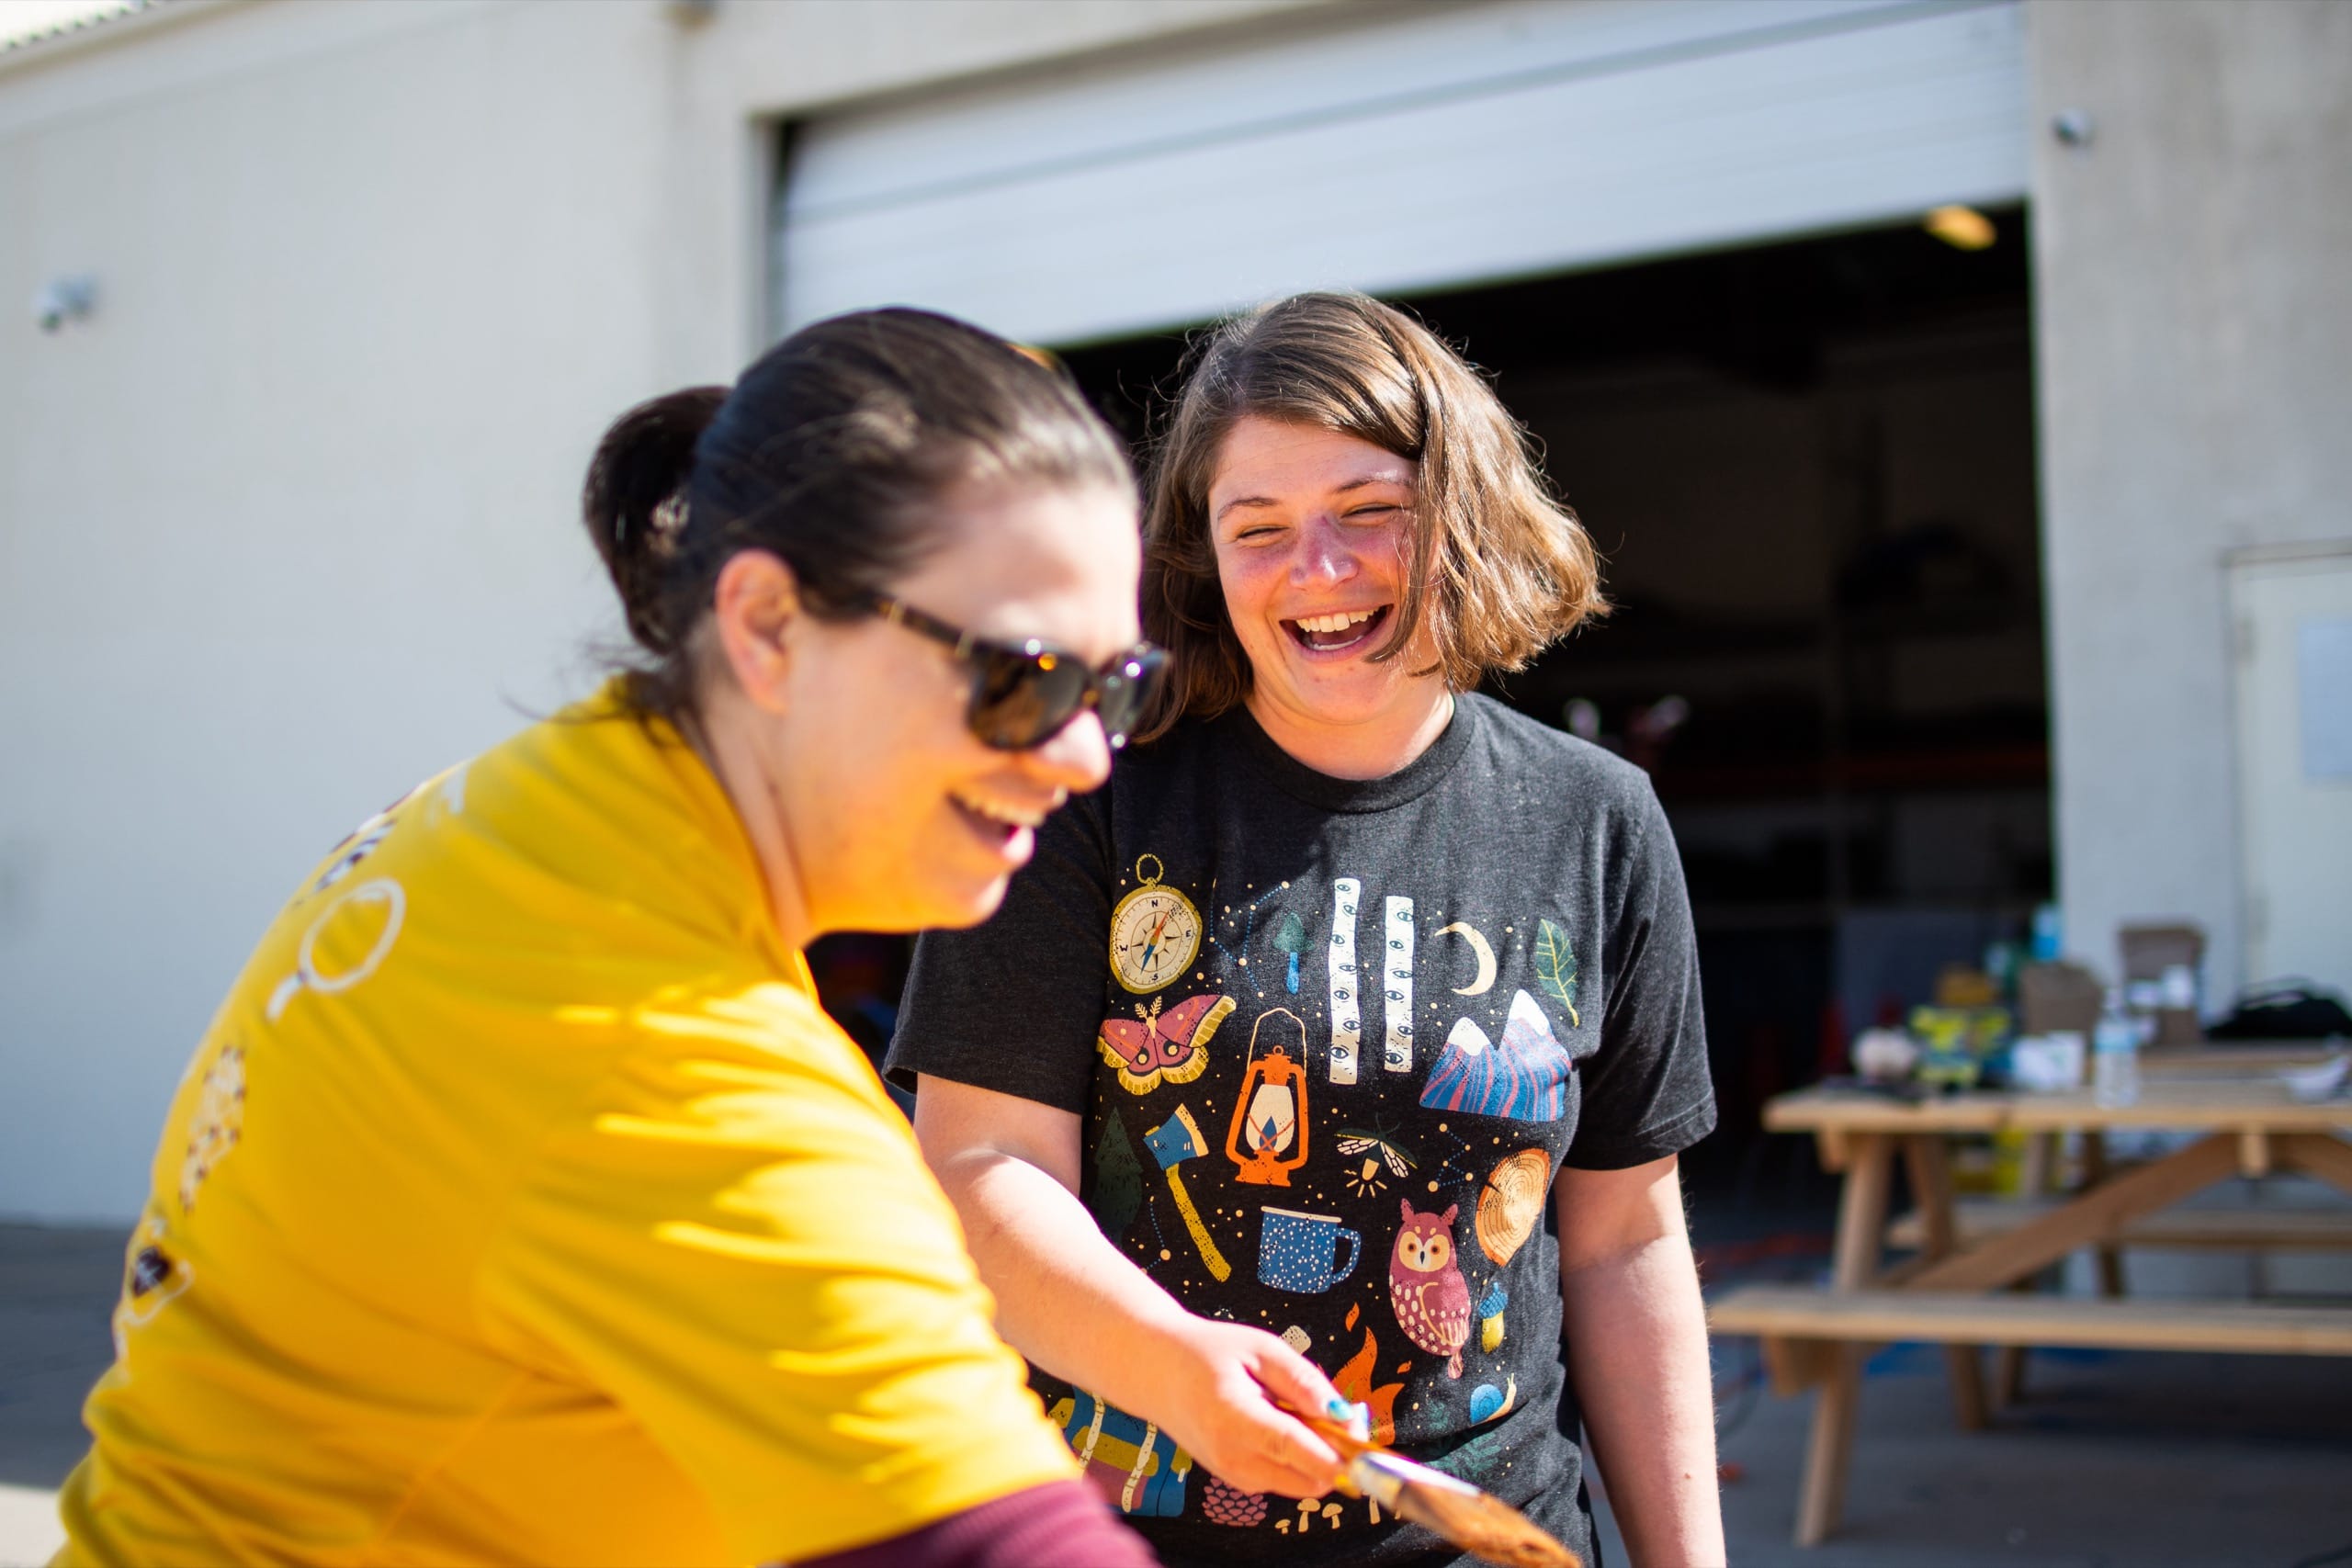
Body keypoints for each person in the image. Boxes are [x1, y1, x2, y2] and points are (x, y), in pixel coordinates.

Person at [53, 310, 1164, 1568]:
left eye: (1118, 686)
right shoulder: (663, 1054)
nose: (1085, 756)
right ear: (767, 627)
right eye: (1024, 677)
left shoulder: (537, 809)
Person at [888, 292, 1724, 1567]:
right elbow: (977, 1168)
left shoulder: (1596, 821)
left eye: (1368, 512)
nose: (1317, 572)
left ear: (1464, 509)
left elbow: (1626, 1244)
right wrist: (1174, 1371)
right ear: (1201, 561)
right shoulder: (1080, 801)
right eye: (1258, 529)